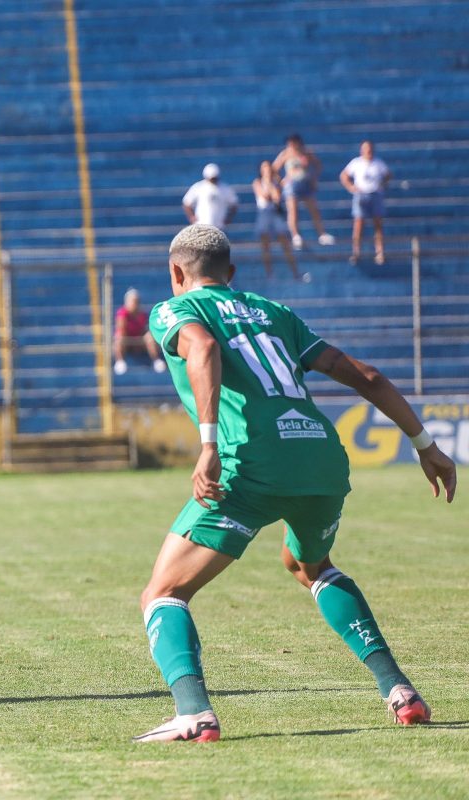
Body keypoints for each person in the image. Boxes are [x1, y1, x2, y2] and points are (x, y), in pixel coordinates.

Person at [133, 224, 456, 743]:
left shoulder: (176, 310)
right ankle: (399, 691)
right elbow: (365, 375)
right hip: (322, 459)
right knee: (309, 566)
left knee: (164, 593)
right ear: (232, 274)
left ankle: (193, 714)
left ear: (175, 272)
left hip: (251, 464)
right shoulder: (274, 313)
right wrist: (426, 446)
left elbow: (204, 349)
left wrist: (209, 445)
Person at [273, 133, 335, 250]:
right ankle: (296, 236)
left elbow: (318, 165)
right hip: (292, 185)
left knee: (314, 210)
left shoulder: (306, 152)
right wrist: (281, 180)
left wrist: (314, 178)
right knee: (293, 211)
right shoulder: (285, 154)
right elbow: (274, 169)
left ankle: (322, 234)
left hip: (306, 183)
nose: (292, 145)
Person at [251, 161, 306, 281]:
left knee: (285, 243)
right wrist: (268, 183)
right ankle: (269, 274)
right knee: (265, 246)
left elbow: (276, 197)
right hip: (264, 213)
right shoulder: (257, 182)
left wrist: (271, 183)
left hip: (275, 213)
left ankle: (295, 272)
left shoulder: (276, 183)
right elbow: (264, 195)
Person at [340, 140, 391, 266]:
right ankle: (356, 252)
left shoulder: (378, 163)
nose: (368, 151)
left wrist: (383, 185)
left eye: (370, 149)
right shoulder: (356, 162)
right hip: (361, 195)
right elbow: (343, 176)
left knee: (378, 224)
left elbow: (388, 175)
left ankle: (379, 252)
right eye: (366, 149)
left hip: (375, 194)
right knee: (358, 224)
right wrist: (351, 188)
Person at [113, 288, 166, 375]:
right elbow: (121, 329)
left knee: (149, 336)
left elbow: (144, 330)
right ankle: (120, 361)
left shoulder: (142, 314)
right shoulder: (122, 313)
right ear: (127, 302)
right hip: (126, 341)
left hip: (138, 340)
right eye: (133, 301)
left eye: (137, 301)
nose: (135, 303)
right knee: (119, 337)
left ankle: (156, 360)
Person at [182, 163, 238, 230]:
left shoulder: (225, 188)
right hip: (201, 225)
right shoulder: (198, 187)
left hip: (219, 226)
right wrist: (192, 217)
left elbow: (234, 203)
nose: (213, 180)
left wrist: (228, 219)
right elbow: (187, 203)